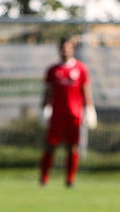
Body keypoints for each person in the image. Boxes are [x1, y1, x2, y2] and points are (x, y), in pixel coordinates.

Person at [39, 35, 95, 188]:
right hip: (57, 114)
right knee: (50, 145)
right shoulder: (53, 70)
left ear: (72, 49)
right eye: (62, 47)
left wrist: (89, 109)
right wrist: (44, 108)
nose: (64, 50)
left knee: (72, 146)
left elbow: (85, 91)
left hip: (74, 115)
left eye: (67, 47)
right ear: (59, 50)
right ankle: (44, 178)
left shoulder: (81, 69)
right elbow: (47, 93)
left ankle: (70, 180)